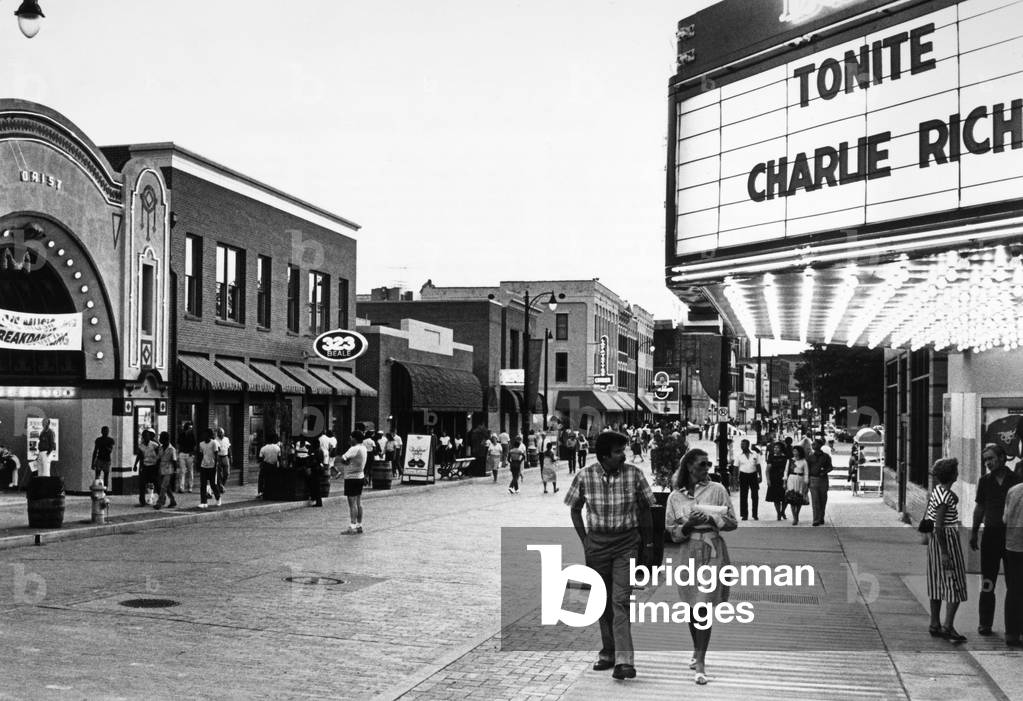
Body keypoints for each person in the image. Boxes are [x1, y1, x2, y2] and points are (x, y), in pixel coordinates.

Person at [564, 431, 654, 681]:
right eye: (617, 452)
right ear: (604, 456)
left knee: (621, 600)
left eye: (623, 450)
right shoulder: (585, 475)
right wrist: (586, 541)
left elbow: (646, 508)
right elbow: (574, 509)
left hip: (626, 544)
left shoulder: (634, 474)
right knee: (602, 601)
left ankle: (624, 661)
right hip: (598, 545)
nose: (623, 455)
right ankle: (609, 651)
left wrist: (647, 544)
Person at [666, 447, 738, 685]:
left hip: (712, 551)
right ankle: (697, 650)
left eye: (708, 464)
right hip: (689, 551)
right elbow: (672, 532)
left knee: (704, 605)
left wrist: (712, 519)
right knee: (691, 604)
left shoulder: (717, 490)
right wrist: (687, 526)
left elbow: (732, 523)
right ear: (689, 466)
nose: (707, 469)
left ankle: (701, 661)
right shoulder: (676, 496)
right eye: (702, 464)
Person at [969, 443, 1020, 636]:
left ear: (1001, 457)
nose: (988, 463)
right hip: (990, 535)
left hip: (1012, 537)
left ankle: (1014, 628)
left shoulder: (1016, 480)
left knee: (1013, 584)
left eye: (990, 458)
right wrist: (974, 532)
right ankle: (985, 623)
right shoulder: (985, 481)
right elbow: (980, 507)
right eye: (985, 460)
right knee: (987, 581)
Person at [926, 457, 968, 642]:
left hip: (935, 542)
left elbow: (931, 519)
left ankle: (934, 623)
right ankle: (948, 626)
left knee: (936, 581)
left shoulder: (938, 491)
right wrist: (945, 552)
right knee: (954, 582)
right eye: (956, 470)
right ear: (953, 474)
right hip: (947, 541)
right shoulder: (945, 497)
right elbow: (939, 525)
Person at [1003, 478, 1023, 647]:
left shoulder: (1013, 490)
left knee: (1014, 590)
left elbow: (1005, 519)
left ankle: (1011, 633)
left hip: (1012, 546)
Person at [339, 430, 368, 533]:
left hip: (351, 478)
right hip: (360, 476)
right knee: (359, 503)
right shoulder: (363, 448)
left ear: (355, 438)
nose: (350, 439)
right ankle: (359, 525)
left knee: (352, 504)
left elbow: (343, 458)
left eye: (351, 437)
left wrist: (347, 463)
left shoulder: (354, 448)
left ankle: (352, 526)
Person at [807, 438, 833, 526]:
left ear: (819, 445)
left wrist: (824, 471)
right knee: (815, 500)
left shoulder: (826, 456)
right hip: (813, 479)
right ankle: (816, 519)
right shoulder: (810, 457)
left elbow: (830, 467)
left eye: (814, 444)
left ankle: (821, 517)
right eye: (812, 444)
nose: (812, 445)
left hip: (823, 480)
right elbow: (807, 469)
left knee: (823, 500)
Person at [733, 439, 761, 521]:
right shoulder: (739, 455)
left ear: (748, 445)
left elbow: (758, 465)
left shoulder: (755, 454)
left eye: (744, 445)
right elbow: (735, 468)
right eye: (741, 445)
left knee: (755, 495)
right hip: (743, 475)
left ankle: (755, 514)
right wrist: (735, 478)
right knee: (743, 495)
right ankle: (744, 514)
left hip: (753, 475)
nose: (742, 446)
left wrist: (760, 476)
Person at [153, 431, 178, 510]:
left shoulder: (172, 449)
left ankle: (159, 502)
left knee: (163, 486)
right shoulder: (160, 448)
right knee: (166, 487)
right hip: (161, 469)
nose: (159, 439)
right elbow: (158, 458)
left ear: (165, 439)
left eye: (161, 438)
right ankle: (173, 500)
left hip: (169, 469)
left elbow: (174, 461)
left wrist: (175, 471)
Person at [134, 430, 160, 507]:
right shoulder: (141, 446)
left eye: (147, 436)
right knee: (142, 484)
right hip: (145, 466)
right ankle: (142, 501)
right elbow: (139, 455)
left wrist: (158, 466)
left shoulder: (154, 445)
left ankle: (161, 499)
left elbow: (159, 455)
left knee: (157, 484)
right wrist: (135, 464)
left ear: (149, 437)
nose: (146, 438)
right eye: (144, 436)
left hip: (153, 466)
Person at [785, 445, 810, 525]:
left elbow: (806, 473)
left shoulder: (804, 461)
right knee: (792, 498)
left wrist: (806, 483)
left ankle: (797, 515)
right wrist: (784, 482)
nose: (795, 453)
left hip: (800, 479)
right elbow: (786, 471)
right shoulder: (790, 461)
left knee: (799, 499)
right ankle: (795, 517)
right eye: (794, 451)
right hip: (792, 478)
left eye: (796, 451)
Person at [197, 429, 222, 509]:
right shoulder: (201, 444)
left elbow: (216, 455)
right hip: (203, 466)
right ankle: (203, 502)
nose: (203, 436)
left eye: (205, 434)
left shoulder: (213, 443)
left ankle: (218, 498)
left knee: (213, 484)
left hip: (212, 466)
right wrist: (199, 465)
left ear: (209, 435)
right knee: (203, 485)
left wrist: (215, 466)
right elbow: (201, 455)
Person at [765, 441, 789, 521]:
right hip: (774, 478)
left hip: (784, 478)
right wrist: (768, 479)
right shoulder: (771, 456)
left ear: (781, 449)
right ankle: (778, 513)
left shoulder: (785, 457)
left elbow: (788, 468)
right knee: (776, 498)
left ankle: (783, 511)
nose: (775, 449)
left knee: (786, 497)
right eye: (774, 447)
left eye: (777, 448)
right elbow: (767, 470)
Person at [257, 433, 281, 498]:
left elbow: (260, 459)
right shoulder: (277, 448)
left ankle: (260, 492)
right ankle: (273, 491)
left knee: (261, 478)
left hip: (265, 465)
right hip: (274, 465)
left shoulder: (263, 448)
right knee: (273, 479)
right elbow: (279, 458)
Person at [176, 421, 197, 493]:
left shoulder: (192, 435)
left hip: (189, 455)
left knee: (190, 471)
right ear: (186, 428)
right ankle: (181, 488)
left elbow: (194, 445)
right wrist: (178, 453)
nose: (191, 429)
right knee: (182, 471)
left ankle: (190, 487)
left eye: (191, 428)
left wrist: (193, 453)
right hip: (182, 454)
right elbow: (178, 444)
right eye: (189, 428)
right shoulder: (181, 434)